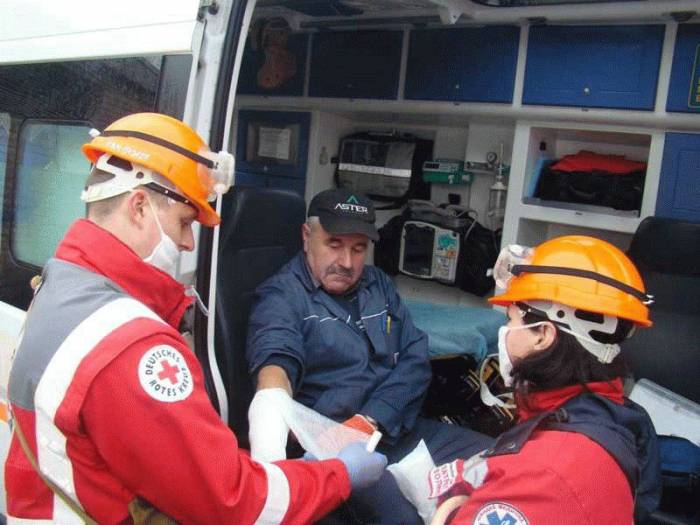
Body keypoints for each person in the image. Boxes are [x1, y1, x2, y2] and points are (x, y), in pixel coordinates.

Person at [4, 113, 387, 524]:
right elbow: (233, 503)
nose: (189, 242)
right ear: (139, 207)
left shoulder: (60, 284)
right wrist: (337, 474)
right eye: (185, 222)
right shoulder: (129, 345)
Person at [246, 188, 492, 524]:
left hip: (397, 429)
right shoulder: (282, 298)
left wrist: (371, 419)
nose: (347, 262)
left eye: (358, 248)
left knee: (501, 464)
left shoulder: (377, 284)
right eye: (334, 245)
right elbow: (275, 366)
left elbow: (415, 358)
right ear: (306, 237)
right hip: (337, 450)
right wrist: (272, 469)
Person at [428, 236, 661, 525]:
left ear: (543, 335)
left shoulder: (545, 473)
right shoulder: (609, 413)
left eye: (511, 320)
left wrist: (449, 512)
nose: (505, 331)